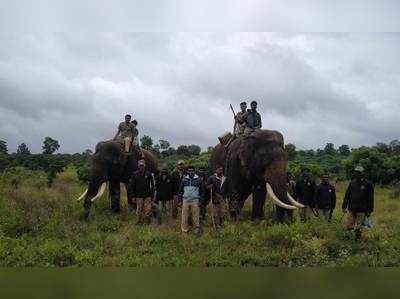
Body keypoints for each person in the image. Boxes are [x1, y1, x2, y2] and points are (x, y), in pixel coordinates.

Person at [342, 166, 374, 236]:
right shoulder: (352, 183)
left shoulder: (368, 184)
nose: (357, 174)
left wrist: (369, 210)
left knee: (359, 227)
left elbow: (370, 198)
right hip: (352, 208)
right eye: (356, 172)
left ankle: (357, 240)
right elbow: (347, 195)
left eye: (359, 172)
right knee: (349, 225)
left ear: (363, 173)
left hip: (362, 210)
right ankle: (349, 238)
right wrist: (344, 206)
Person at [179, 166, 204, 234]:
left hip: (195, 200)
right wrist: (180, 201)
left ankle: (196, 230)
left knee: (195, 216)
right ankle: (184, 231)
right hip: (185, 200)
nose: (191, 172)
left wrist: (200, 201)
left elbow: (202, 192)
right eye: (189, 171)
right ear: (187, 171)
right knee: (184, 216)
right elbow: (180, 191)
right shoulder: (184, 180)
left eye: (192, 170)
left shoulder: (198, 180)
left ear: (194, 171)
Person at [130, 159, 155, 225]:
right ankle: (139, 222)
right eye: (140, 165)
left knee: (148, 210)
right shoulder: (134, 174)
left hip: (147, 195)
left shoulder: (149, 174)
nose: (141, 167)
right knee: (139, 209)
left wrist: (152, 195)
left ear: (145, 166)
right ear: (138, 166)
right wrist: (133, 196)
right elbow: (132, 186)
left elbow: (152, 185)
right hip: (138, 195)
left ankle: (147, 222)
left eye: (142, 165)